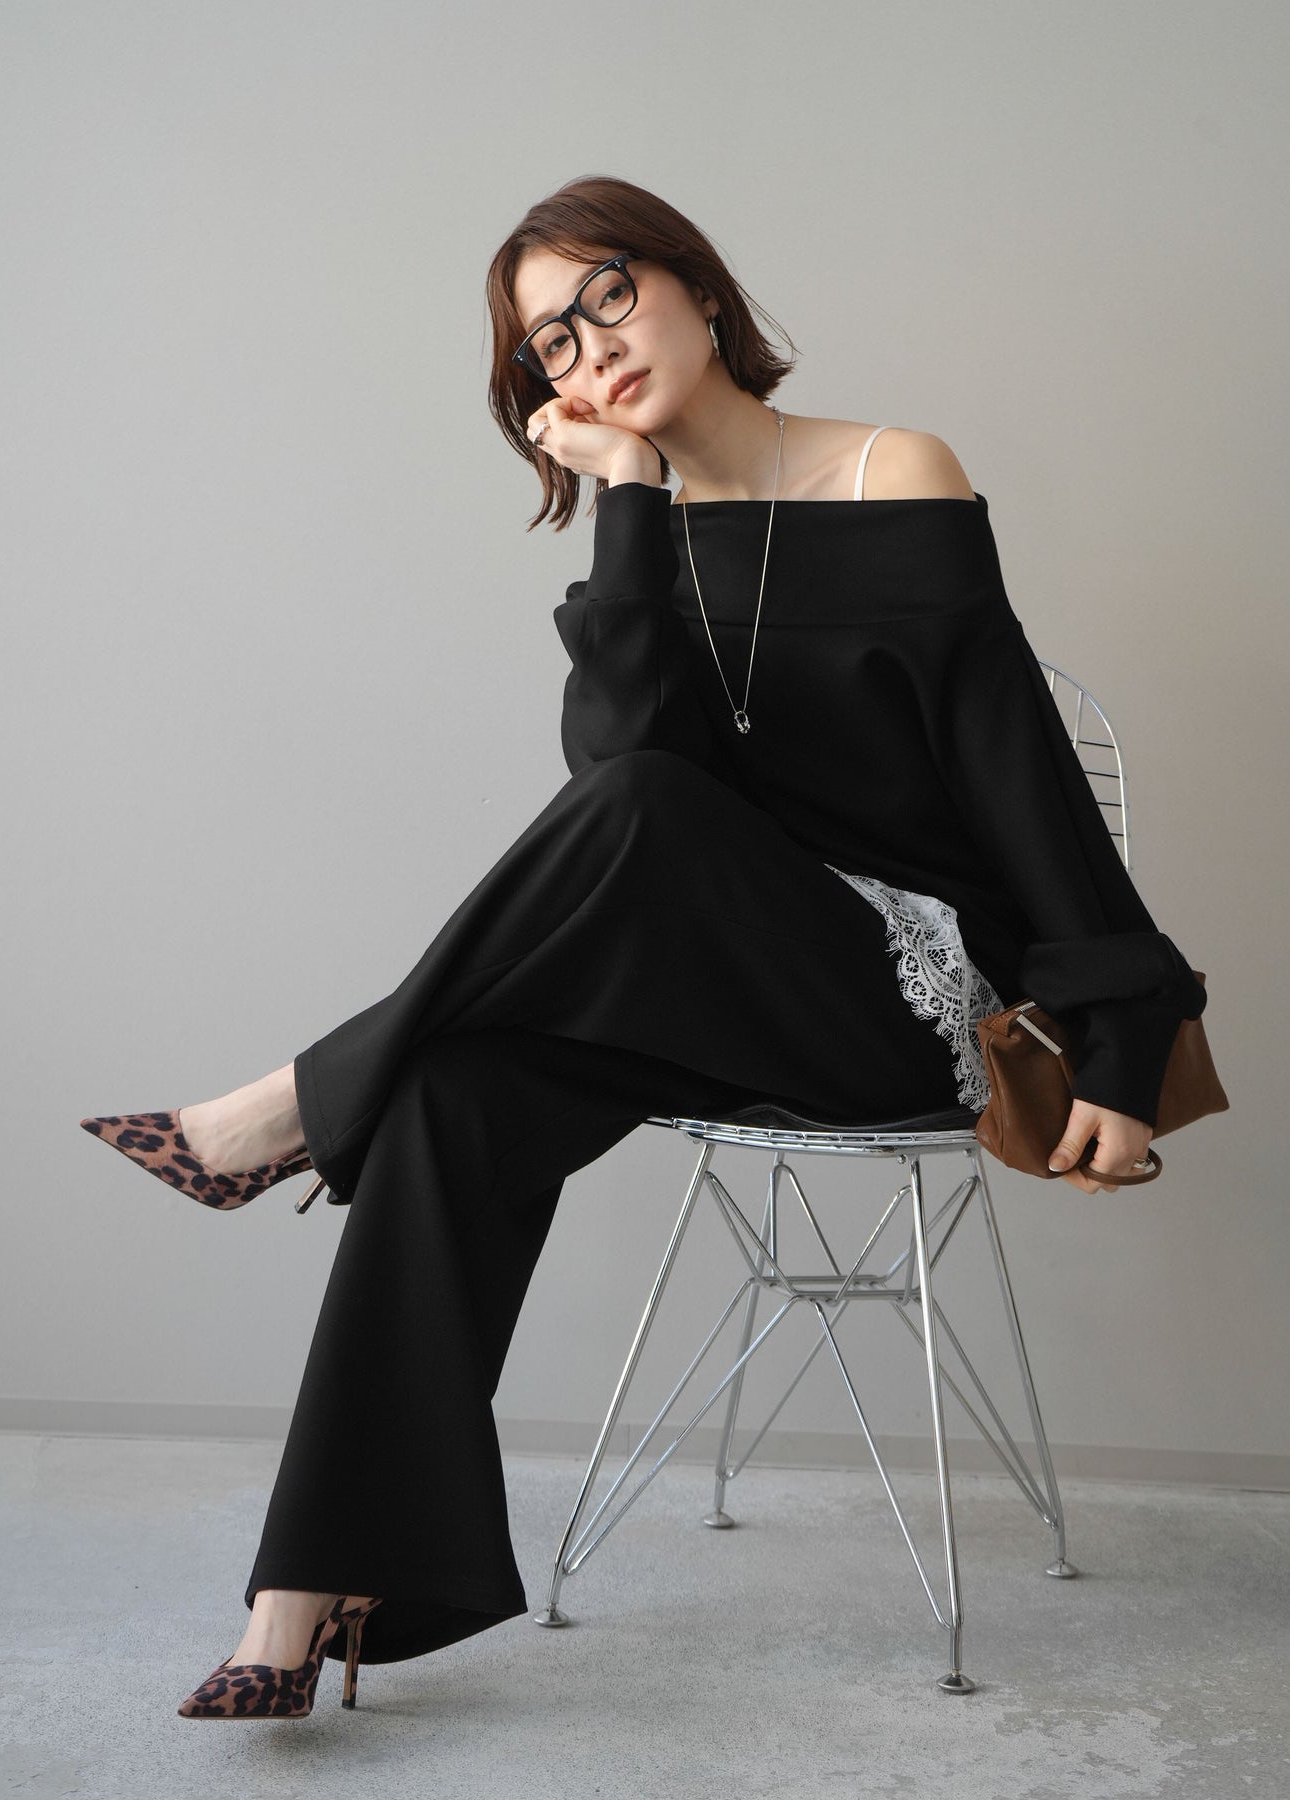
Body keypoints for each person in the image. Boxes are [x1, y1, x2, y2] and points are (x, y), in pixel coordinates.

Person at [79, 174, 1207, 1719]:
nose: (589, 344)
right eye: (550, 341)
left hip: (904, 1007)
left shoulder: (893, 469)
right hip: (713, 998)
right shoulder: (643, 534)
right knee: (453, 1090)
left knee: (646, 815)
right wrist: (629, 499)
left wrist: (1126, 1041)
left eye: (607, 293)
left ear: (699, 287)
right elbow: (615, 770)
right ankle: (309, 1594)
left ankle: (285, 1109)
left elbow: (1020, 771)